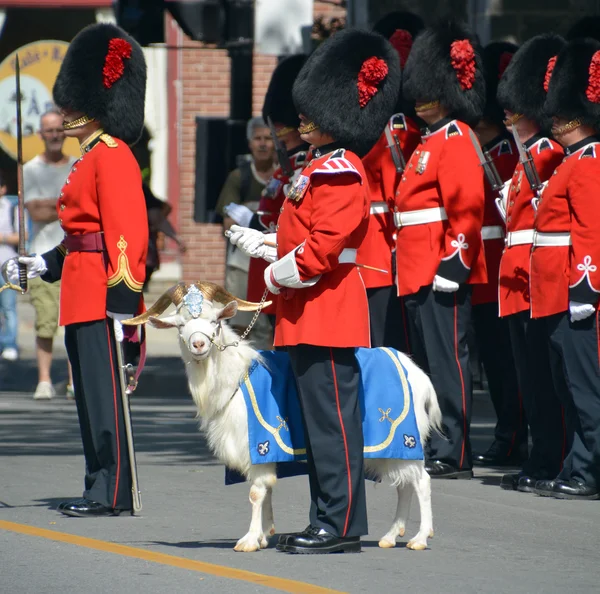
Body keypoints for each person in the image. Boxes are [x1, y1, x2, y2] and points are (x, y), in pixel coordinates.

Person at [229, 28, 400, 553]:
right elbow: (302, 235)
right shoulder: (318, 165)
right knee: (317, 418)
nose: (301, 121)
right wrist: (264, 246)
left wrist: (277, 271)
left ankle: (341, 523)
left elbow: (325, 248)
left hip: (326, 306)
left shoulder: (342, 170)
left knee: (333, 423)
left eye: (310, 112)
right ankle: (326, 516)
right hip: (307, 308)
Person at [7, 23, 148, 516]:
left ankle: (110, 492)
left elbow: (127, 235)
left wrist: (123, 303)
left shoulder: (112, 156)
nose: (65, 112)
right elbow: (77, 240)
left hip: (103, 296)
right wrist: (39, 263)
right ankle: (97, 483)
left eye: (72, 103)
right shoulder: (87, 158)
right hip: (80, 290)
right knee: (89, 398)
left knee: (104, 399)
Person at [396, 20, 487, 479]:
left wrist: (455, 259)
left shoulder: (454, 139)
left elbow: (465, 208)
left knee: (449, 361)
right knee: (429, 363)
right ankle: (435, 440)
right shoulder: (427, 141)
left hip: (439, 264)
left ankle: (455, 450)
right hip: (415, 265)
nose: (419, 98)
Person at [496, 34, 569, 493]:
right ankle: (542, 456)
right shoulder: (526, 159)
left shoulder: (547, 153)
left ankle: (552, 458)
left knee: (546, 378)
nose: (506, 115)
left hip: (538, 276)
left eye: (514, 107)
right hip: (517, 276)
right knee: (531, 378)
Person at [528, 38, 600, 500]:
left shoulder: (589, 160)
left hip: (575, 289)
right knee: (568, 387)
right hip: (554, 289)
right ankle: (578, 465)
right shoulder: (569, 161)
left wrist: (586, 289)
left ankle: (590, 469)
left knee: (584, 389)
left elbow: (591, 231)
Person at [471, 41, 526, 467]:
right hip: (478, 267)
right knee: (493, 359)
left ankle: (512, 435)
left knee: (509, 363)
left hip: (501, 269)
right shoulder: (482, 151)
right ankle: (509, 433)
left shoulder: (507, 155)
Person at [359, 11, 424, 351]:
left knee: (396, 337)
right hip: (374, 242)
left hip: (392, 240)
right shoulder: (379, 130)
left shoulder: (401, 130)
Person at [241, 54, 310, 331]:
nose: (277, 129)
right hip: (268, 256)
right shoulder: (286, 165)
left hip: (283, 256)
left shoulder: (301, 163)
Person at [24, 109, 77, 399]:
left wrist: (54, 206)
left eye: (59, 129)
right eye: (49, 130)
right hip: (42, 256)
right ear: (41, 134)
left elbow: (83, 207)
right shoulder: (31, 169)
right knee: (46, 320)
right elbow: (36, 211)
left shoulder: (77, 165)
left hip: (74, 255)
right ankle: (44, 380)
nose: (55, 135)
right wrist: (67, 204)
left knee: (73, 320)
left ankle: (73, 380)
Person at [216, 117, 275, 346]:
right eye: (258, 139)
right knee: (240, 328)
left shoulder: (283, 175)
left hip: (271, 260)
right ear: (250, 143)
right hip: (242, 263)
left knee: (267, 328)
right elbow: (227, 222)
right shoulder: (239, 177)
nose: (263, 144)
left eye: (268, 139)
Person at [0, 173, 19, 360]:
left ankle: (10, 344)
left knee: (8, 307)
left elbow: (23, 236)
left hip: (7, 265)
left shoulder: (12, 208)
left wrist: (2, 238)